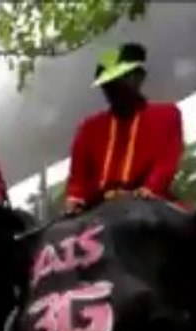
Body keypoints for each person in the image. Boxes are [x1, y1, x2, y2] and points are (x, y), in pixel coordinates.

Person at [64, 43, 184, 215]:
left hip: (152, 209)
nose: (113, 90)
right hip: (100, 214)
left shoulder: (167, 115)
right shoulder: (89, 128)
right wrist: (75, 198)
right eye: (107, 86)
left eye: (119, 81)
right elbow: (78, 178)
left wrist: (148, 190)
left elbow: (165, 164)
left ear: (139, 77)